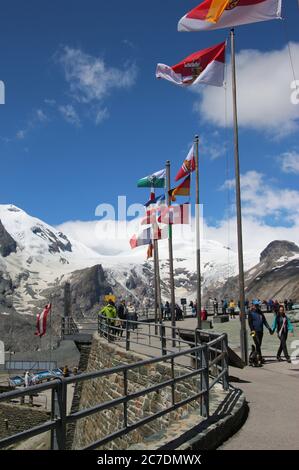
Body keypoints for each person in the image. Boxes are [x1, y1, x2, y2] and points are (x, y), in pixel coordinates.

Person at [248, 301, 272, 366]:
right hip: (253, 332)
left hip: (261, 331)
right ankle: (253, 357)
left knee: (259, 345)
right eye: (255, 305)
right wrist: (252, 331)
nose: (257, 306)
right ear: (253, 305)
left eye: (257, 305)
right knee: (258, 344)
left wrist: (269, 328)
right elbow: (250, 323)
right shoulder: (251, 313)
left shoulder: (261, 313)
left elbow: (265, 321)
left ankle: (259, 358)